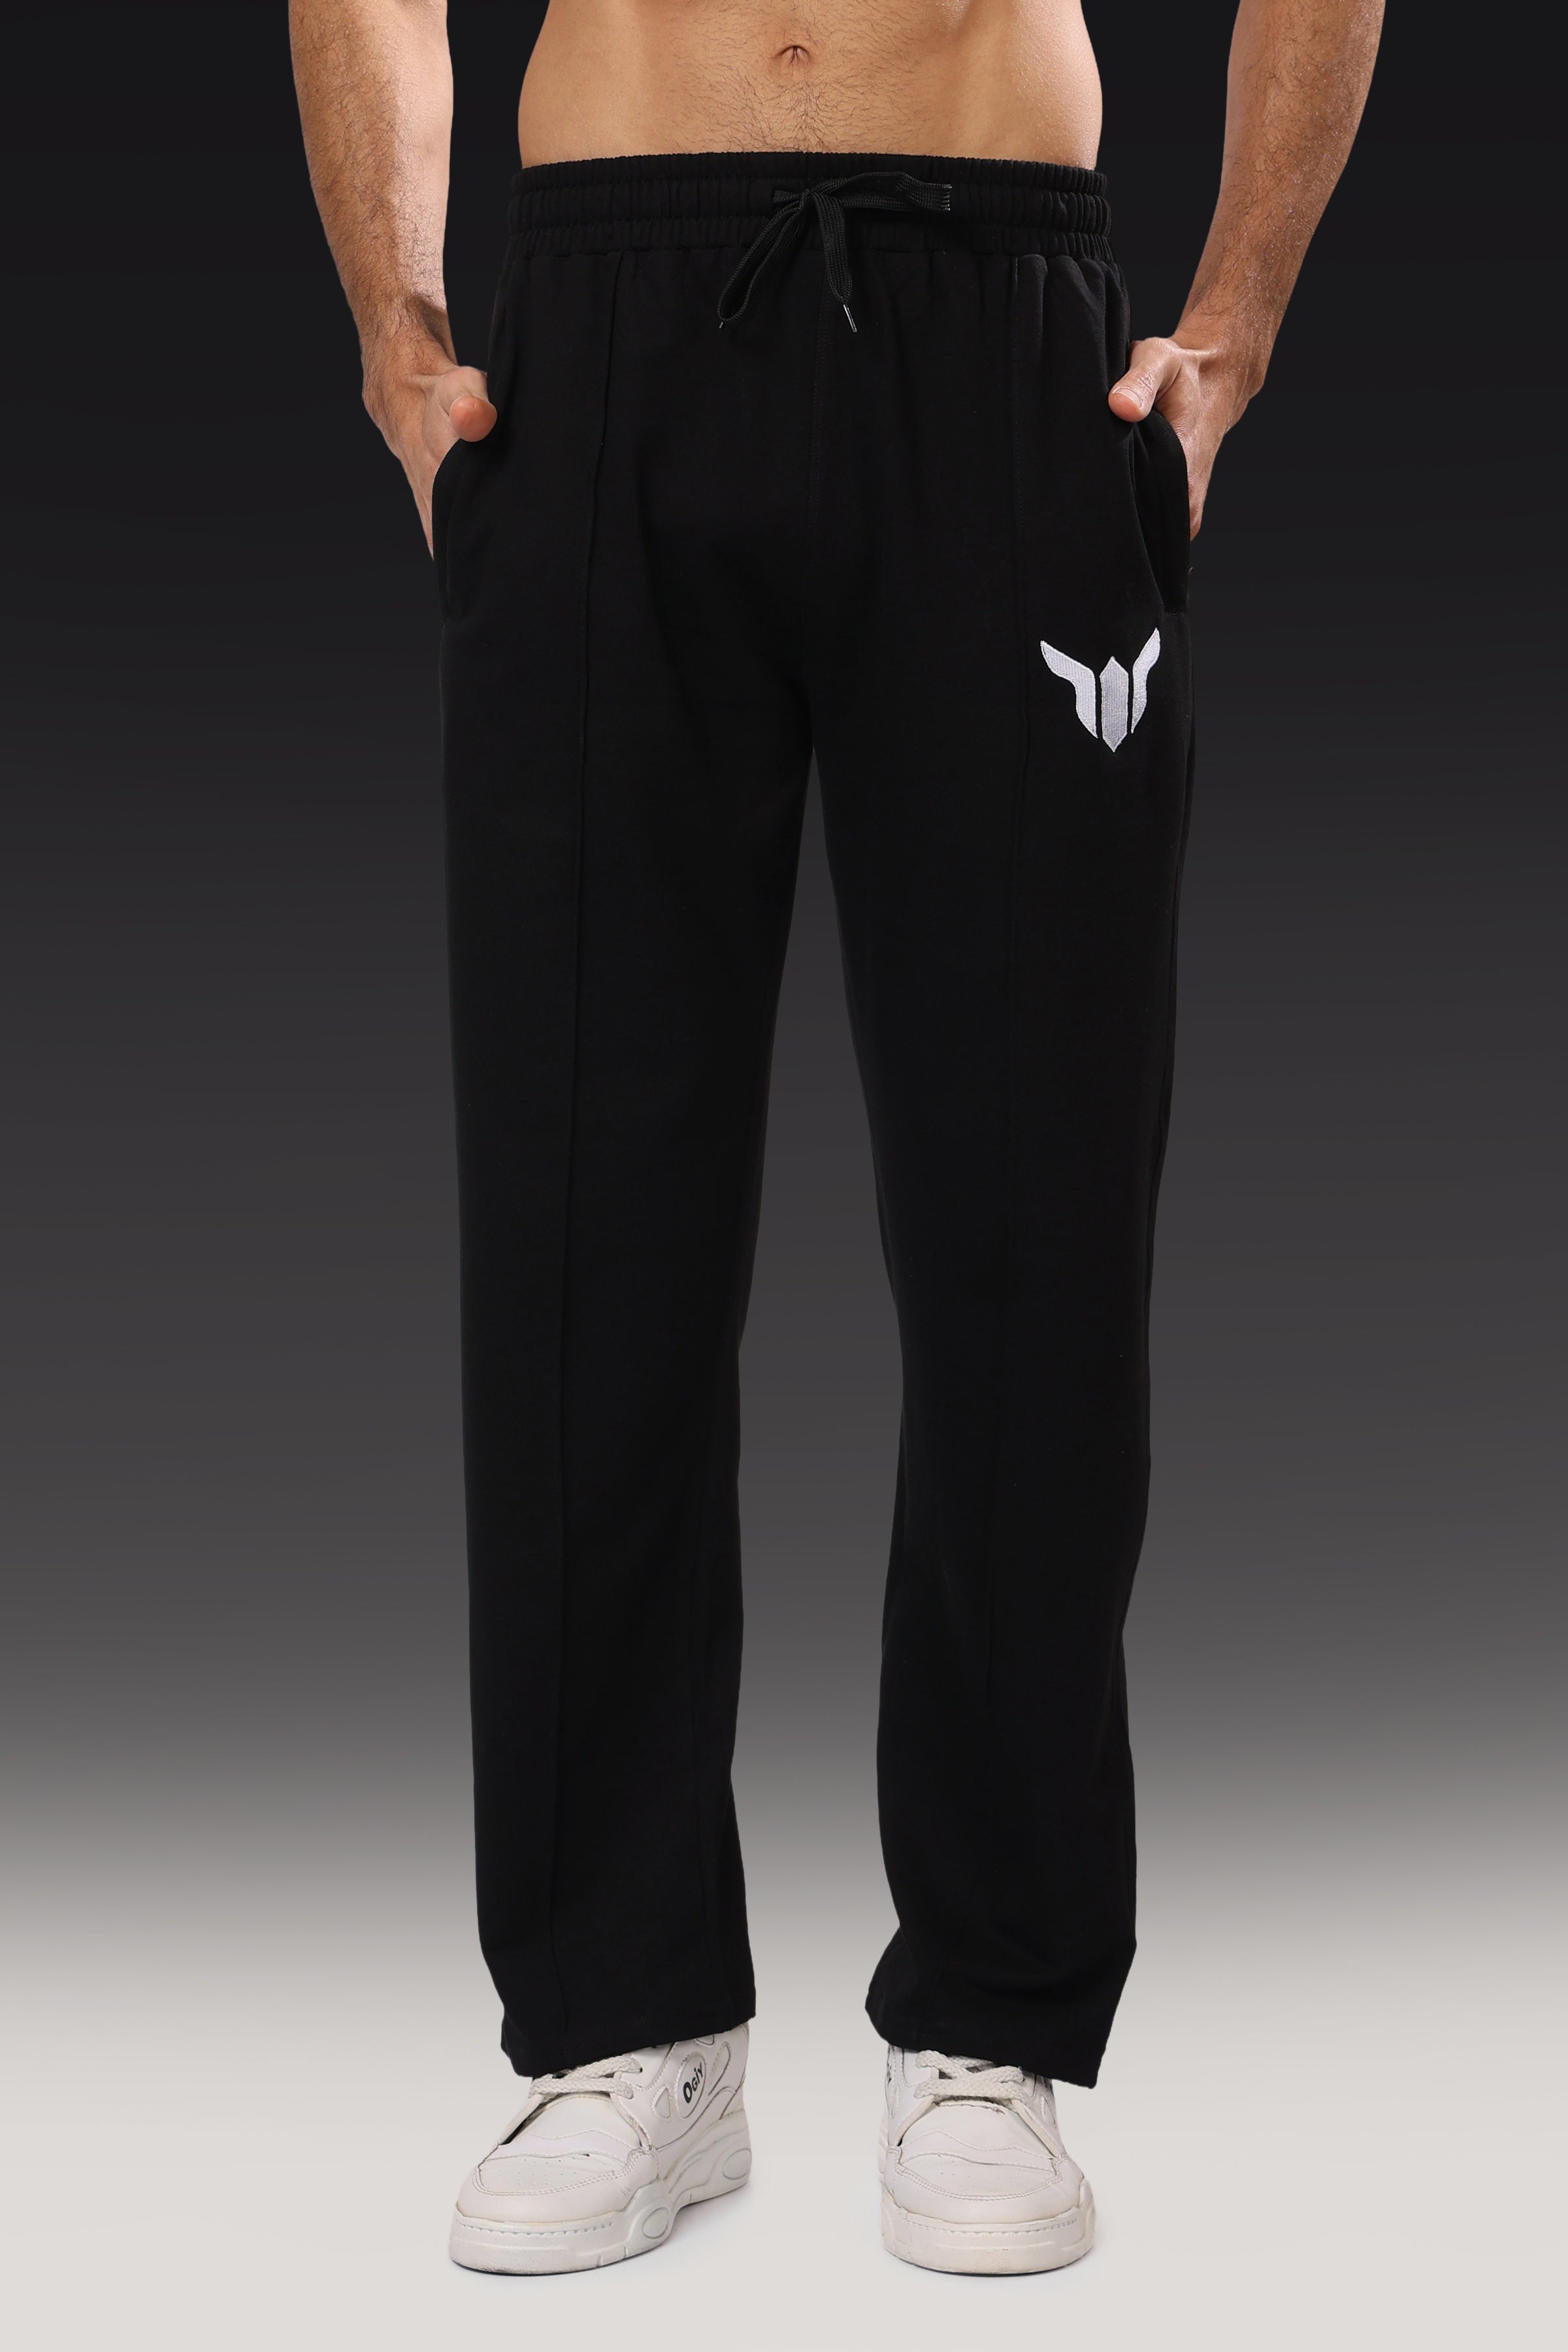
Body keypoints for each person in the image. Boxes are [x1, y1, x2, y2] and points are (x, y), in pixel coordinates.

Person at [290, 0, 1382, 2278]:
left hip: (1001, 324)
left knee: (1033, 1220)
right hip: (605, 321)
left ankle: (994, 2014)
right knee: (582, 1225)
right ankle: (623, 2024)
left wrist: (1239, 316)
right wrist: (398, 316)